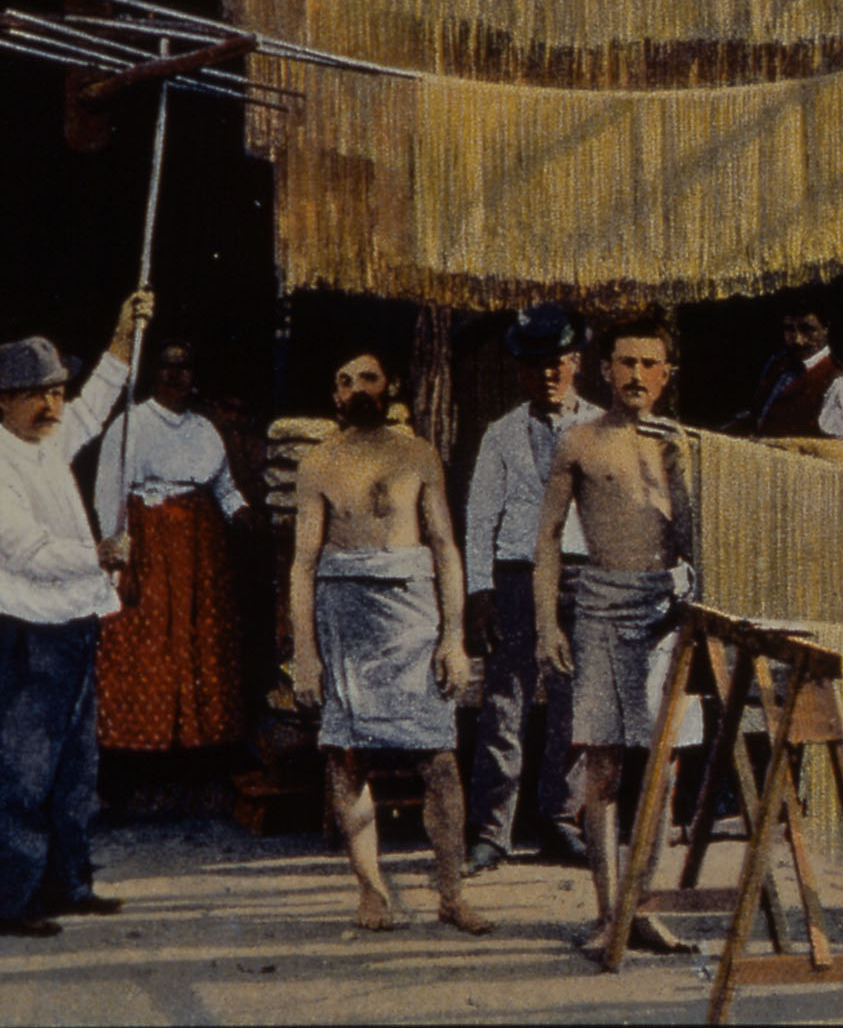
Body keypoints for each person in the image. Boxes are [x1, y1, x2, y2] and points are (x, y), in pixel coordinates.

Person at [0, 288, 150, 938]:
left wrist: (126, 332)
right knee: (22, 771)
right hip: (27, 635)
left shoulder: (49, 440)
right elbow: (28, 553)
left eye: (55, 392)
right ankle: (10, 904)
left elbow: (100, 400)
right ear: (3, 401)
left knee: (75, 769)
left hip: (73, 628)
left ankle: (69, 884)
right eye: (35, 394)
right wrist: (97, 553)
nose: (51, 405)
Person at [288, 350, 491, 935]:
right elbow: (303, 563)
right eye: (344, 379)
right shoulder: (318, 464)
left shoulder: (418, 455)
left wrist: (453, 639)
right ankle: (372, 891)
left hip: (412, 612)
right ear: (334, 394)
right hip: (345, 612)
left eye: (368, 378)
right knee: (347, 758)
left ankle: (451, 894)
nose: (356, 389)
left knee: (440, 762)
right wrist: (306, 653)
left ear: (390, 386)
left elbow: (446, 548)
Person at [535, 313, 701, 954]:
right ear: (604, 369)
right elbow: (547, 537)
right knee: (602, 762)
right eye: (624, 362)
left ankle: (642, 906)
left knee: (665, 768)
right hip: (601, 603)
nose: (635, 375)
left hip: (665, 608)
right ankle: (609, 912)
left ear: (666, 374)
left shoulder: (682, 443)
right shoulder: (578, 442)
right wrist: (548, 620)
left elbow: (695, 540)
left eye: (648, 364)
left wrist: (683, 469)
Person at [461, 305, 600, 876]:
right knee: (503, 705)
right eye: (533, 365)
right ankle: (490, 834)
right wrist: (479, 590)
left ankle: (559, 822)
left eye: (557, 363)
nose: (546, 374)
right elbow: (478, 518)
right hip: (516, 576)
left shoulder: (602, 428)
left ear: (576, 362)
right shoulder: (502, 435)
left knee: (572, 706)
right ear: (518, 370)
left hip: (581, 574)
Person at [93, 341, 253, 754]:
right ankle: (142, 740)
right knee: (151, 633)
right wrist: (117, 549)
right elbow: (109, 491)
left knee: (199, 636)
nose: (174, 376)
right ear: (154, 372)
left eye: (184, 368)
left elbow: (223, 486)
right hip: (149, 541)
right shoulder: (131, 424)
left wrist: (239, 512)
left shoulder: (204, 428)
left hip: (199, 547)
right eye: (166, 366)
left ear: (194, 377)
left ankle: (197, 739)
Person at [746, 296, 843, 440]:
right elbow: (757, 415)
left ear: (825, 329)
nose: (798, 339)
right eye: (789, 329)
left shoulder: (840, 382)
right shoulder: (776, 363)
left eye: (807, 329)